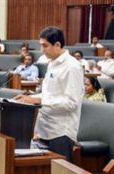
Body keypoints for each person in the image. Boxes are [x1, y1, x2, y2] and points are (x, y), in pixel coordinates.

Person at [13, 26, 84, 162]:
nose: (41, 50)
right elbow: (49, 94)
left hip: (61, 132)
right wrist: (29, 98)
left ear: (57, 45)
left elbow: (72, 103)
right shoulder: (52, 63)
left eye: (45, 46)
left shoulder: (72, 67)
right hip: (44, 129)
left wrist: (39, 101)